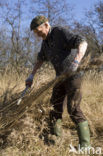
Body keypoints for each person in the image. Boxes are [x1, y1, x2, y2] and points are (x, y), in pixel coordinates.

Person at [26, 15, 91, 149]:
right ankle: (55, 139)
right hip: (59, 78)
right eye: (36, 33)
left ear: (46, 25)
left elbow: (82, 42)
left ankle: (85, 146)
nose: (38, 35)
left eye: (39, 31)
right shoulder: (45, 42)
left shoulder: (59, 32)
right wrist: (31, 75)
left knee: (73, 108)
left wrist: (77, 61)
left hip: (74, 75)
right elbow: (40, 58)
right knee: (54, 108)